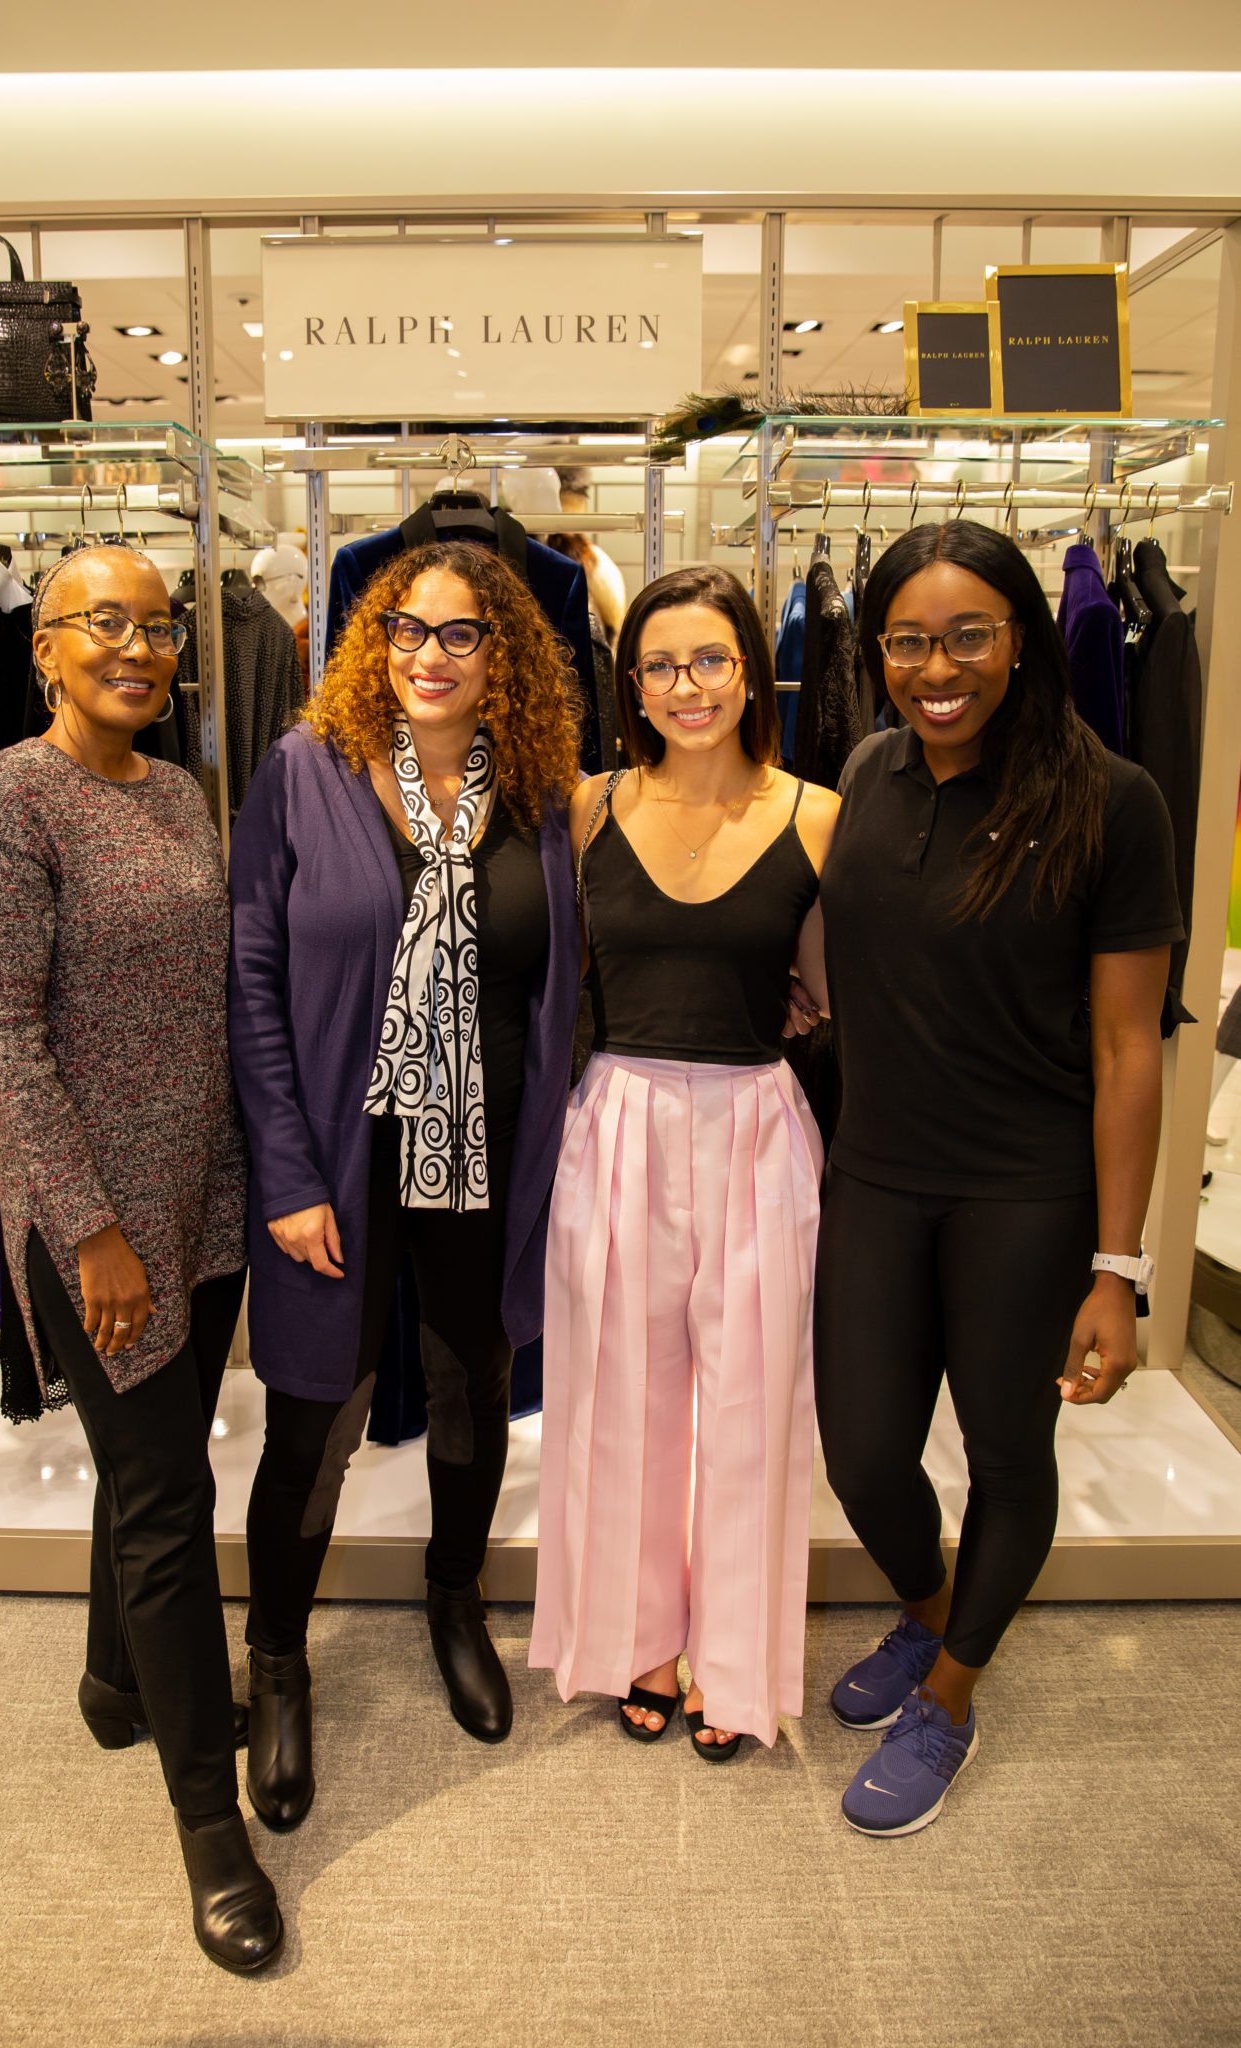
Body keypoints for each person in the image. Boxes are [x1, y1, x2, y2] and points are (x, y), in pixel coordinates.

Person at [0, 544, 280, 1972]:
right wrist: (88, 1229)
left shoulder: (183, 791)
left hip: (202, 1203)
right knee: (168, 1498)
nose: (137, 649)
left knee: (152, 1462)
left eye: (156, 628)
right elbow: (2, 1039)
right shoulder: (5, 804)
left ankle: (110, 1682)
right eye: (102, 625)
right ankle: (211, 1827)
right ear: (44, 646)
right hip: (103, 1224)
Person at [814, 520, 1183, 1836]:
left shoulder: (1111, 802)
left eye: (968, 634)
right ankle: (931, 1617)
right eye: (907, 640)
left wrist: (1118, 1269)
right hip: (874, 1175)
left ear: (1022, 637)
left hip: (1024, 1193)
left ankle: (953, 1693)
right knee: (860, 1454)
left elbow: (1127, 1044)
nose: (936, 666)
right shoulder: (865, 772)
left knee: (1004, 1457)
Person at [228, 541, 582, 1829]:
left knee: (471, 1385)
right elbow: (251, 972)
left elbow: (563, 988)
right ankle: (276, 1659)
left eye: (462, 634)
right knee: (311, 1413)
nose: (428, 655)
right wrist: (285, 1169)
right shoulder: (304, 773)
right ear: (376, 643)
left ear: (506, 662)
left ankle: (453, 1601)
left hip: (485, 1150)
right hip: (333, 1154)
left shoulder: (542, 794)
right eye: (406, 630)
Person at [530, 565, 838, 1758]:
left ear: (753, 668)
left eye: (709, 658)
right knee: (618, 1397)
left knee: (756, 1407)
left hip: (759, 1121)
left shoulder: (817, 812)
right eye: (658, 664)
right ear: (631, 683)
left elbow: (831, 979)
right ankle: (635, 1639)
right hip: (620, 1118)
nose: (685, 684)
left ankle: (737, 1658)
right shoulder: (588, 806)